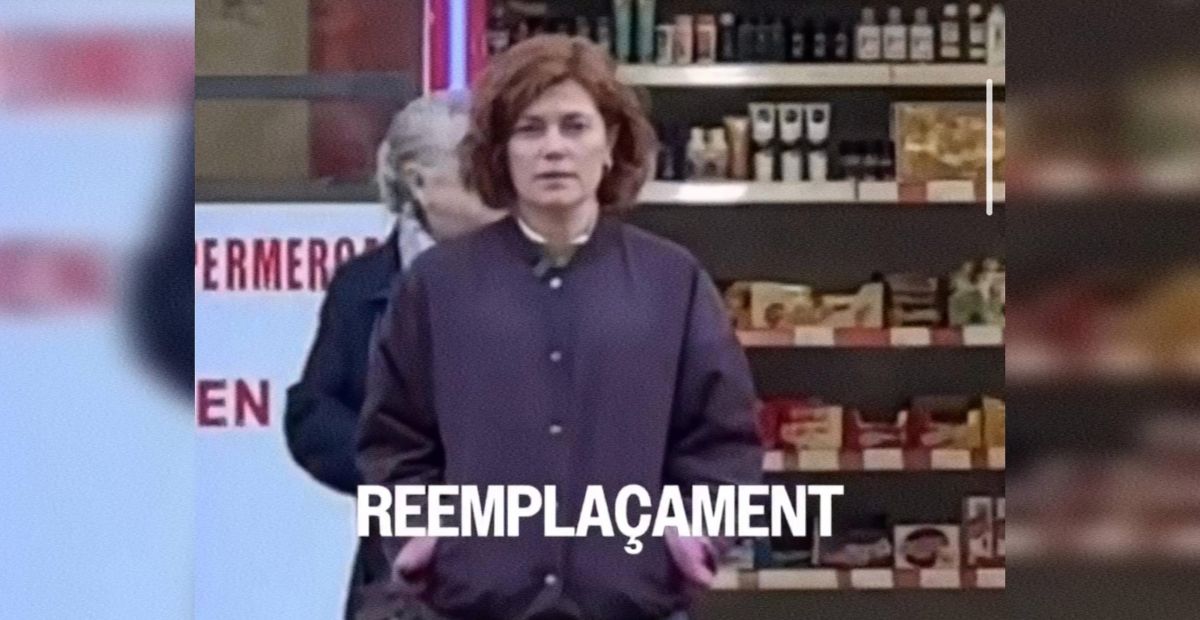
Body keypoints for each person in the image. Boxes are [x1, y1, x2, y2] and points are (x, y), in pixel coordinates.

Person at [358, 36, 762, 620]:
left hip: (630, 603)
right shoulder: (437, 286)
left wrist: (693, 536)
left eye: (575, 126)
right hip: (476, 605)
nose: (554, 149)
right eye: (530, 130)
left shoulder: (671, 282)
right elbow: (394, 439)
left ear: (611, 144)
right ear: (500, 152)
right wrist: (422, 534)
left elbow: (723, 439)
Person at [284, 92, 503, 620]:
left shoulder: (541, 273)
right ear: (419, 182)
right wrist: (401, 479)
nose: (501, 191)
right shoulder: (364, 286)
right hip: (401, 573)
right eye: (477, 175)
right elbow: (313, 416)